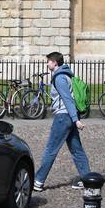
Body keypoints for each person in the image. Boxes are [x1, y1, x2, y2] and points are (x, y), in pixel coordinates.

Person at [33, 52, 91, 192]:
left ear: (54, 62)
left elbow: (67, 99)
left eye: (48, 61)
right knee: (77, 150)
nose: (47, 64)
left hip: (63, 117)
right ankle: (87, 179)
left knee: (51, 149)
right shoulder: (65, 75)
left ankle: (38, 181)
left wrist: (75, 120)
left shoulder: (59, 78)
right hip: (69, 117)